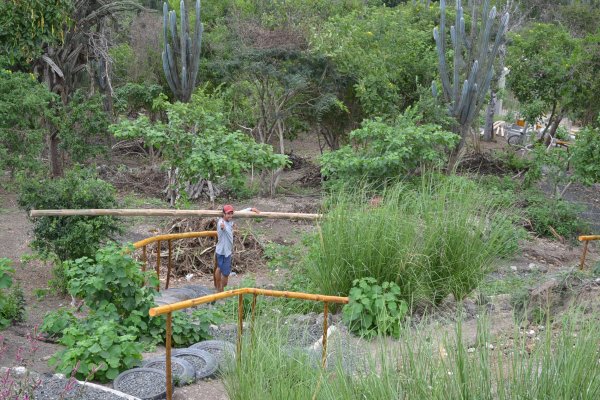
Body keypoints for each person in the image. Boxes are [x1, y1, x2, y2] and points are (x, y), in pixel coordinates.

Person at [214, 204, 260, 292]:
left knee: (225, 272)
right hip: (221, 250)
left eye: (231, 213)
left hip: (227, 250)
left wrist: (250, 209)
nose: (230, 215)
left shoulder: (230, 221)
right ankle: (220, 289)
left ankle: (221, 288)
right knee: (220, 268)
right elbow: (222, 227)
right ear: (223, 214)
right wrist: (223, 227)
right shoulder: (221, 223)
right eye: (228, 214)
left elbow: (241, 212)